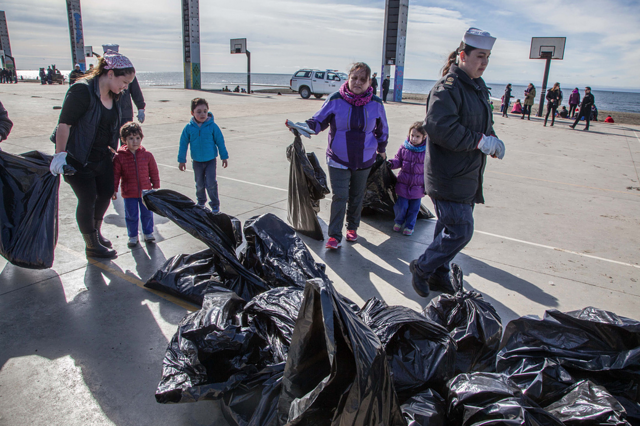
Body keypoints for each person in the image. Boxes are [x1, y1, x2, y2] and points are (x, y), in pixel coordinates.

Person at [410, 27, 505, 297]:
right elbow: (439, 128)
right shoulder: (447, 89)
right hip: (447, 176)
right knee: (461, 230)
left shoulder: (477, 87)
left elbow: (483, 125)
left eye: (488, 57)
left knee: (447, 228)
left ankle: (439, 273)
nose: (484, 62)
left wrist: (494, 141)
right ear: (462, 55)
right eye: (479, 56)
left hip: (467, 175)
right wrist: (479, 141)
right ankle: (422, 267)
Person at [286, 62, 389, 249]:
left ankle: (352, 228)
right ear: (348, 79)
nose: (357, 82)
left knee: (357, 196)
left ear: (369, 82)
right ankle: (334, 236)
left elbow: (382, 129)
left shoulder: (376, 103)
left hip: (365, 159)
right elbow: (318, 121)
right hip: (338, 159)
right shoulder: (335, 99)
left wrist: (382, 148)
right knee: (340, 196)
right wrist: (301, 127)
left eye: (362, 79)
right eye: (354, 78)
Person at [50, 50, 136, 259]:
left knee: (106, 193)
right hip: (78, 157)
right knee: (87, 198)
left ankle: (96, 233)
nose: (125, 87)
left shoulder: (115, 96)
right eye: (124, 82)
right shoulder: (81, 91)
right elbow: (64, 124)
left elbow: (112, 125)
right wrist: (60, 155)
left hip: (102, 156)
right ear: (110, 73)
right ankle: (91, 244)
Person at [112, 122, 160, 247]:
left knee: (147, 214)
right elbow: (115, 175)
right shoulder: (119, 157)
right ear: (123, 140)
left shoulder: (147, 155)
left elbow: (153, 171)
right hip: (129, 193)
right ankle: (133, 236)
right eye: (131, 138)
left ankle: (148, 233)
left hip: (146, 192)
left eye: (137, 138)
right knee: (131, 216)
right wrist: (113, 190)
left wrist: (156, 185)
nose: (135, 141)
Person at [177, 98, 229, 212]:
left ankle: (215, 204)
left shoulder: (212, 126)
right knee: (199, 183)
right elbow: (183, 144)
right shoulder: (189, 128)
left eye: (205, 111)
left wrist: (224, 156)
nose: (202, 114)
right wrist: (182, 160)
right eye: (199, 111)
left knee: (211, 183)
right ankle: (201, 201)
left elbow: (220, 141)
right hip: (197, 161)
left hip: (210, 160)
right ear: (192, 113)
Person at [388, 122, 427, 236]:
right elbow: (398, 160)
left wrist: (428, 186)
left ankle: (409, 226)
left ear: (424, 137)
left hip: (418, 187)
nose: (414, 139)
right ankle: (398, 221)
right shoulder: (404, 147)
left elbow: (430, 169)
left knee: (414, 209)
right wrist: (390, 164)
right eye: (412, 135)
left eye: (417, 136)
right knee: (401, 207)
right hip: (403, 184)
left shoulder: (427, 151)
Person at [101, 44, 146, 128]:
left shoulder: (126, 72)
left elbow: (135, 91)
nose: (125, 87)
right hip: (106, 114)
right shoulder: (100, 76)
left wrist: (141, 108)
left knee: (126, 138)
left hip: (125, 112)